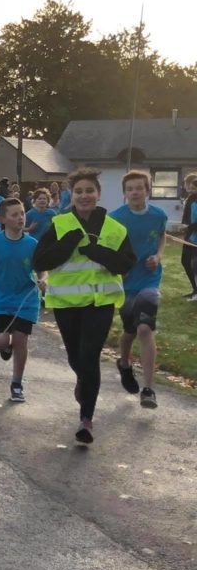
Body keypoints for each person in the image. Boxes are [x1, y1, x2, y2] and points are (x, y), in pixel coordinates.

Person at [33, 167, 135, 444]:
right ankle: (84, 381)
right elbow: (39, 261)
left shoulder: (115, 228)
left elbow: (126, 264)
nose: (84, 195)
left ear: (98, 194)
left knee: (89, 357)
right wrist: (67, 244)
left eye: (90, 190)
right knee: (76, 358)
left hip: (100, 303)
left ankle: (86, 420)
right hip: (67, 304)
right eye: (79, 191)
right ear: (72, 195)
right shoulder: (60, 225)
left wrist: (96, 251)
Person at [0, 198, 45, 403]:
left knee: (21, 339)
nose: (20, 218)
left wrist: (43, 279)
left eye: (22, 213)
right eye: (14, 215)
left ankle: (16, 384)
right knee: (0, 342)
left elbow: (42, 268)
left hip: (26, 298)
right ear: (3, 219)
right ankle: (6, 347)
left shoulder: (32, 244)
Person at [110, 171, 167, 409]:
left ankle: (148, 389)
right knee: (130, 330)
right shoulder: (115, 218)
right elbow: (108, 249)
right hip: (125, 283)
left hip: (150, 280)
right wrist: (118, 267)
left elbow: (162, 237)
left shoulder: (159, 215)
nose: (135, 192)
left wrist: (158, 256)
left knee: (145, 328)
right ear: (124, 193)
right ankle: (124, 363)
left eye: (139, 188)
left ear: (147, 190)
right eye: (130, 189)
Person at [181, 173, 197, 299]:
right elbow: (186, 215)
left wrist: (189, 227)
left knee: (195, 264)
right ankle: (195, 289)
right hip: (190, 236)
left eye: (192, 187)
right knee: (185, 261)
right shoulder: (190, 198)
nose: (189, 188)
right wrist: (184, 225)